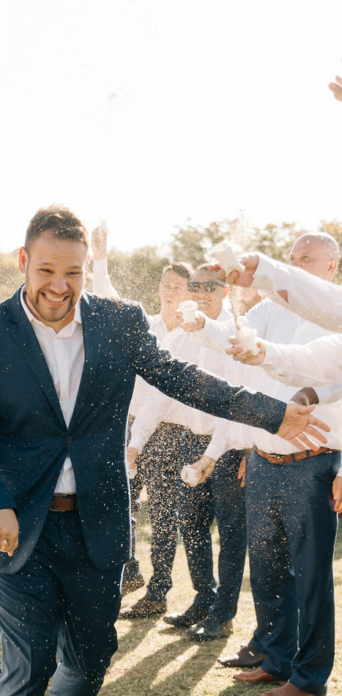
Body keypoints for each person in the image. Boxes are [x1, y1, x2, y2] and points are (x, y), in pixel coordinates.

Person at [0, 205, 323, 696]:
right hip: (16, 529)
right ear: (22, 263)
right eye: (46, 270)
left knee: (91, 660)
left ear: (87, 271)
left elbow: (184, 380)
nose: (59, 285)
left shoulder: (119, 323)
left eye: (73, 272)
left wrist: (270, 413)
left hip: (97, 524)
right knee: (28, 663)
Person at [183, 232, 342, 668]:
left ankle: (309, 673)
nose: (295, 264)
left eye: (305, 259)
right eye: (290, 258)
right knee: (267, 570)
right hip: (263, 459)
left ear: (331, 267)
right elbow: (241, 339)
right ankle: (273, 656)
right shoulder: (272, 307)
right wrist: (203, 327)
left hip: (313, 463)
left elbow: (323, 374)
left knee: (309, 576)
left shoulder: (337, 313)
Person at [126, 266, 250, 639]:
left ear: (224, 292)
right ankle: (203, 599)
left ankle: (223, 614)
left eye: (207, 287)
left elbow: (237, 405)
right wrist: (134, 445)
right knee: (192, 528)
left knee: (229, 533)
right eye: (193, 287)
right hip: (189, 444)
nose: (199, 293)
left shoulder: (235, 335)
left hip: (226, 447)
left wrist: (212, 454)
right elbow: (158, 395)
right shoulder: (181, 335)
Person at [90, 225, 193, 608]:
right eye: (165, 284)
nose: (168, 290)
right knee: (122, 505)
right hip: (129, 424)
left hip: (167, 433)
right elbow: (107, 297)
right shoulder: (144, 324)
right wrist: (100, 257)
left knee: (164, 515)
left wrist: (138, 443)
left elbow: (165, 394)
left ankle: (159, 591)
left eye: (177, 286)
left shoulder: (192, 336)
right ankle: (128, 572)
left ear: (187, 295)